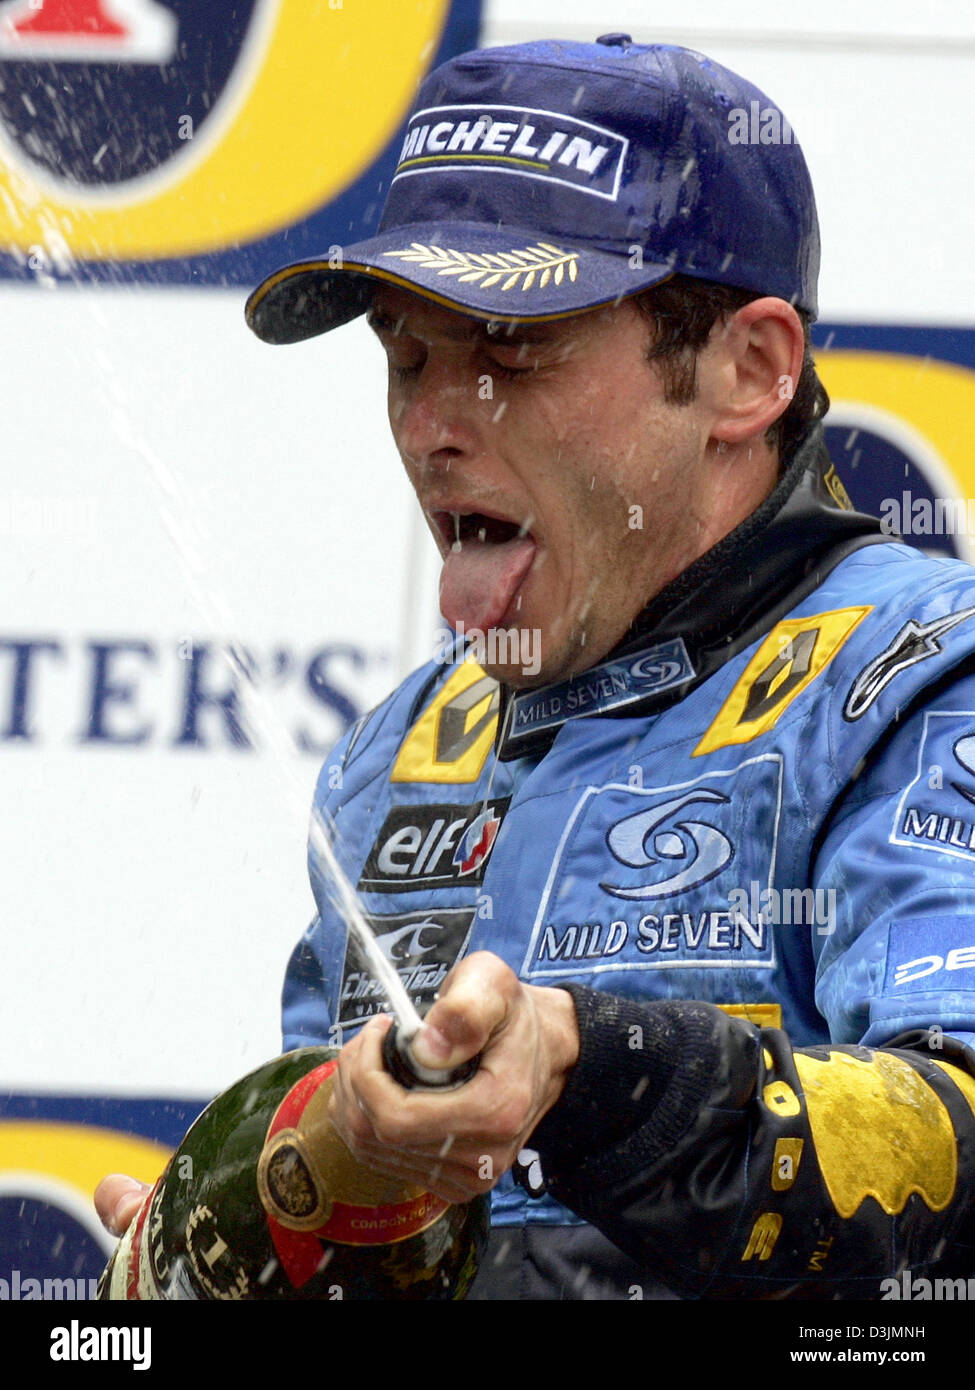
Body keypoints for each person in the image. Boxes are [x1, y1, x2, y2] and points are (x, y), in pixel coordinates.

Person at [99, 36, 975, 1300]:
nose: (436, 427)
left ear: (750, 369)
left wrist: (584, 1070)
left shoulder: (918, 674)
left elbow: (951, 1144)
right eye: (407, 357)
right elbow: (392, 1240)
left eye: (511, 354)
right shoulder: (394, 753)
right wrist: (253, 1240)